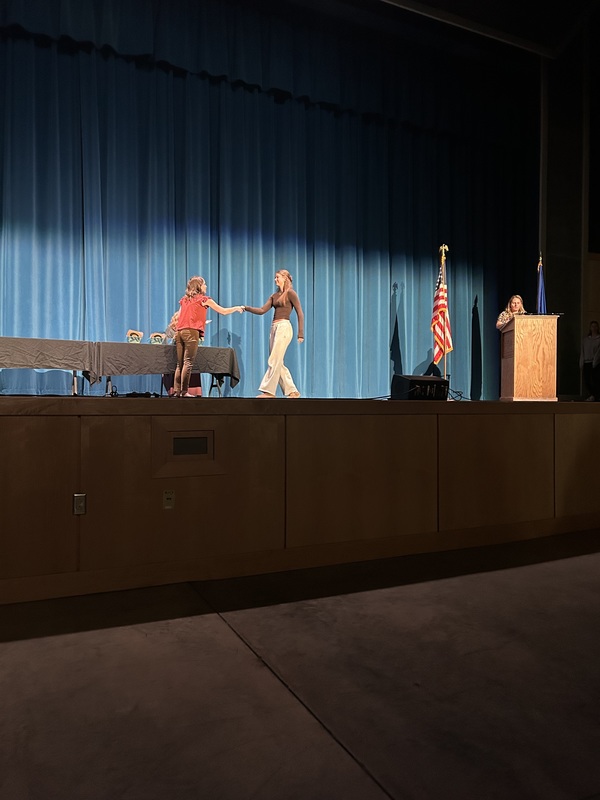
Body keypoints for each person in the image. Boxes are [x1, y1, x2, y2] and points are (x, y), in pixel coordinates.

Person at [173, 276, 243, 397]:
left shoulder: (184, 300)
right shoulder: (204, 299)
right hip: (191, 332)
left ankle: (177, 391)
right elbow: (223, 311)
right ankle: (184, 392)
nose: (206, 286)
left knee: (180, 364)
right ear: (199, 286)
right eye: (204, 284)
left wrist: (198, 321)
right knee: (188, 362)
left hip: (180, 332)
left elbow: (179, 316)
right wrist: (236, 308)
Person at [243, 269, 304, 398]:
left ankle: (269, 391)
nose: (275, 279)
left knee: (274, 360)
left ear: (285, 278)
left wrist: (300, 333)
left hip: (284, 327)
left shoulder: (290, 294)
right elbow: (261, 310)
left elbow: (300, 312)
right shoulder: (274, 296)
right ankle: (292, 391)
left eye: (277, 277)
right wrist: (246, 308)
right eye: (275, 277)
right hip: (274, 328)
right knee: (278, 361)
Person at [580, 320, 600, 401]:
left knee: (595, 380)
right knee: (587, 380)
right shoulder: (586, 340)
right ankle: (593, 395)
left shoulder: (599, 339)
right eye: (592, 326)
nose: (594, 328)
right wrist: (581, 362)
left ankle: (596, 396)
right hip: (586, 362)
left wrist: (596, 360)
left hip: (596, 362)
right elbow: (583, 351)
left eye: (595, 326)